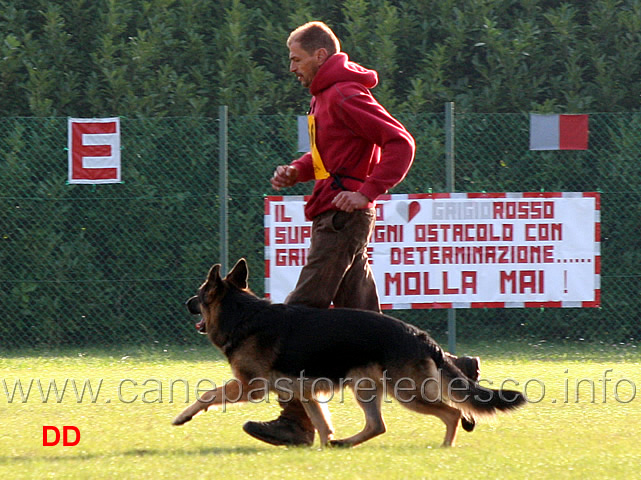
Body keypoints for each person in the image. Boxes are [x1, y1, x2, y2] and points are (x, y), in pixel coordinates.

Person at [243, 21, 478, 447]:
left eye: (296, 59)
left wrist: (366, 191)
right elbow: (330, 158)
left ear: (319, 55)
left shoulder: (344, 94)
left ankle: (295, 422)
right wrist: (296, 171)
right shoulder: (324, 98)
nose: (291, 67)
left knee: (297, 318)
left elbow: (400, 142)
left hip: (341, 218)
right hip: (335, 213)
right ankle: (455, 372)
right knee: (369, 321)